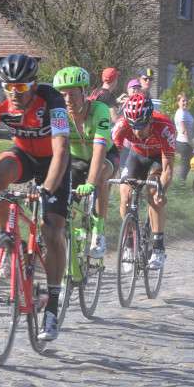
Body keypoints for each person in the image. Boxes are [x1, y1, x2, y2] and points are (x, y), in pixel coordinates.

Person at [0, 54, 71, 342]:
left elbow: (62, 150)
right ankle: (5, 240)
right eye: (9, 87)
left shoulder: (52, 100)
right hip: (24, 155)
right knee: (0, 171)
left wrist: (48, 188)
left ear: (34, 85)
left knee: (53, 231)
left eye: (22, 89)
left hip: (54, 163)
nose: (14, 94)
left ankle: (52, 305)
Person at [110, 93, 175, 270]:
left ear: (150, 120)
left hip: (157, 158)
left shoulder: (164, 127)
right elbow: (112, 157)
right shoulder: (122, 125)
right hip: (136, 156)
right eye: (133, 126)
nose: (137, 131)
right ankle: (130, 242)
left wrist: (162, 191)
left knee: (154, 194)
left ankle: (158, 247)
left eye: (141, 125)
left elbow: (168, 168)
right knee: (125, 193)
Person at [55, 66, 114, 258]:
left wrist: (90, 182)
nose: (67, 100)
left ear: (84, 92)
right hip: (77, 159)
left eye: (72, 94)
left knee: (101, 176)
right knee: (65, 194)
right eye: (63, 95)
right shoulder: (60, 115)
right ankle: (71, 235)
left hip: (106, 156)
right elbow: (55, 150)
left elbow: (99, 149)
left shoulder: (100, 110)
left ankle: (99, 232)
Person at [173, 93, 194, 181]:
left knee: (187, 164)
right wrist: (192, 143)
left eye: (186, 100)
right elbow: (184, 130)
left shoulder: (185, 112)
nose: (185, 102)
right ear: (178, 102)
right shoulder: (181, 114)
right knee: (185, 165)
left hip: (186, 142)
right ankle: (181, 184)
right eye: (183, 101)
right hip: (184, 142)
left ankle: (182, 182)